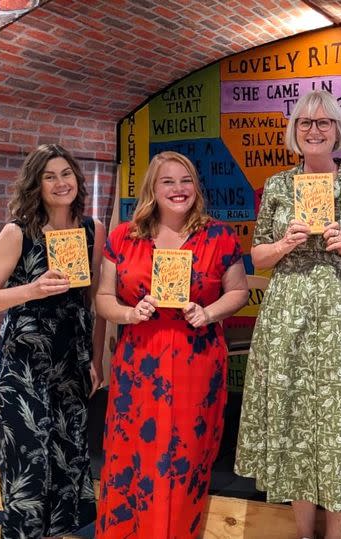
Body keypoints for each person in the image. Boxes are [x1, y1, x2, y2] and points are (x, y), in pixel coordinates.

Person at [234, 90, 341, 539]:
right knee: (294, 418)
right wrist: (285, 243)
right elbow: (258, 256)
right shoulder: (277, 186)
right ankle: (305, 533)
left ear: (338, 132)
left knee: (336, 420)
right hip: (289, 313)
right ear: (294, 132)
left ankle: (335, 533)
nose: (314, 131)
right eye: (305, 123)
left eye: (324, 123)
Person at [94, 151, 249, 538]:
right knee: (131, 455)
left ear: (196, 187)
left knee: (184, 458)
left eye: (186, 181)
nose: (178, 189)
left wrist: (209, 312)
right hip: (138, 361)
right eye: (168, 181)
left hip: (196, 360)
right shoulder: (123, 237)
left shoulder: (219, 235)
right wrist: (130, 314)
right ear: (152, 188)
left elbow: (239, 292)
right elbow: (103, 298)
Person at [0, 143, 105, 538]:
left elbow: (94, 299)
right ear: (36, 184)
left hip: (71, 358)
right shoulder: (18, 232)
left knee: (68, 454)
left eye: (66, 174)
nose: (61, 183)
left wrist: (96, 359)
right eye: (50, 176)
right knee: (27, 456)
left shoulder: (93, 230)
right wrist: (31, 289)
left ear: (78, 180)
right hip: (23, 360)